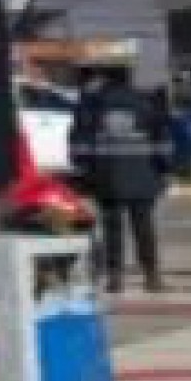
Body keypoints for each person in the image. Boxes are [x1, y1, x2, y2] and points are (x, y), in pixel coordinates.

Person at [68, 68, 174, 293]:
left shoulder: (92, 104)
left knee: (112, 227)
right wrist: (164, 168)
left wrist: (84, 168)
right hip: (143, 172)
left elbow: (79, 142)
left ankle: (115, 277)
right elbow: (162, 139)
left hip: (106, 173)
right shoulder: (146, 103)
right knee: (144, 226)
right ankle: (152, 276)